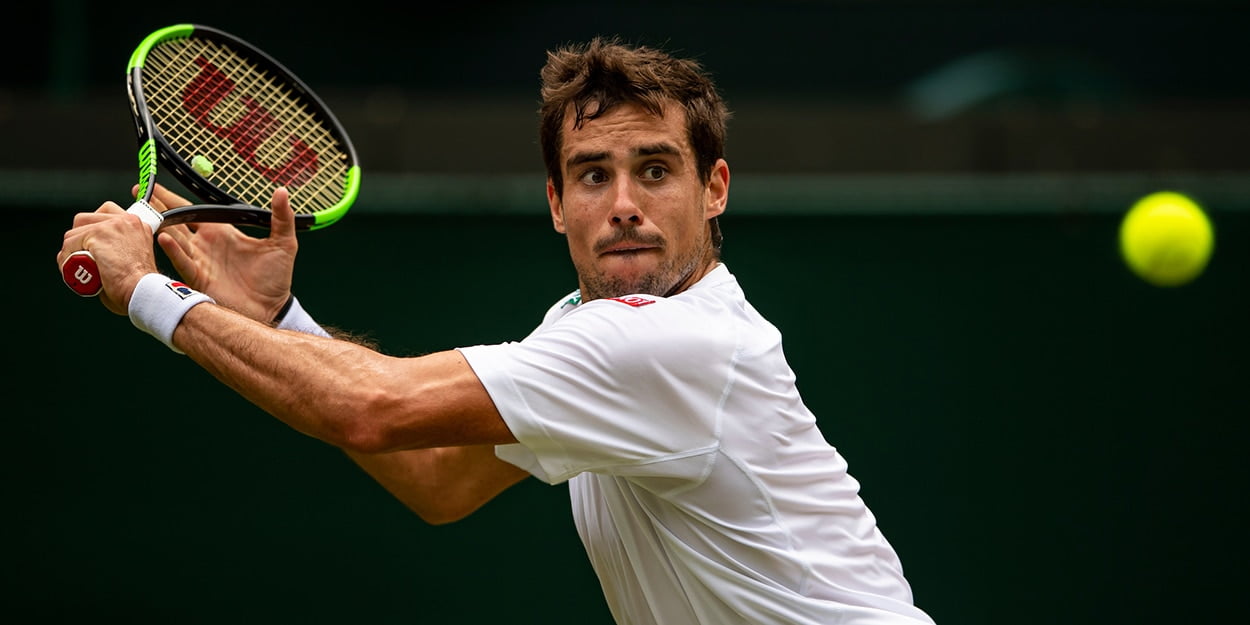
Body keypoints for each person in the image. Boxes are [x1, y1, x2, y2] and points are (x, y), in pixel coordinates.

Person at [57, 36, 936, 625]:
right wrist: (282, 319)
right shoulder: (589, 334)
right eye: (593, 176)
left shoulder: (672, 344)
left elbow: (368, 407)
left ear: (715, 190)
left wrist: (147, 293)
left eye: (656, 170)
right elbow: (439, 480)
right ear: (557, 205)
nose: (623, 204)